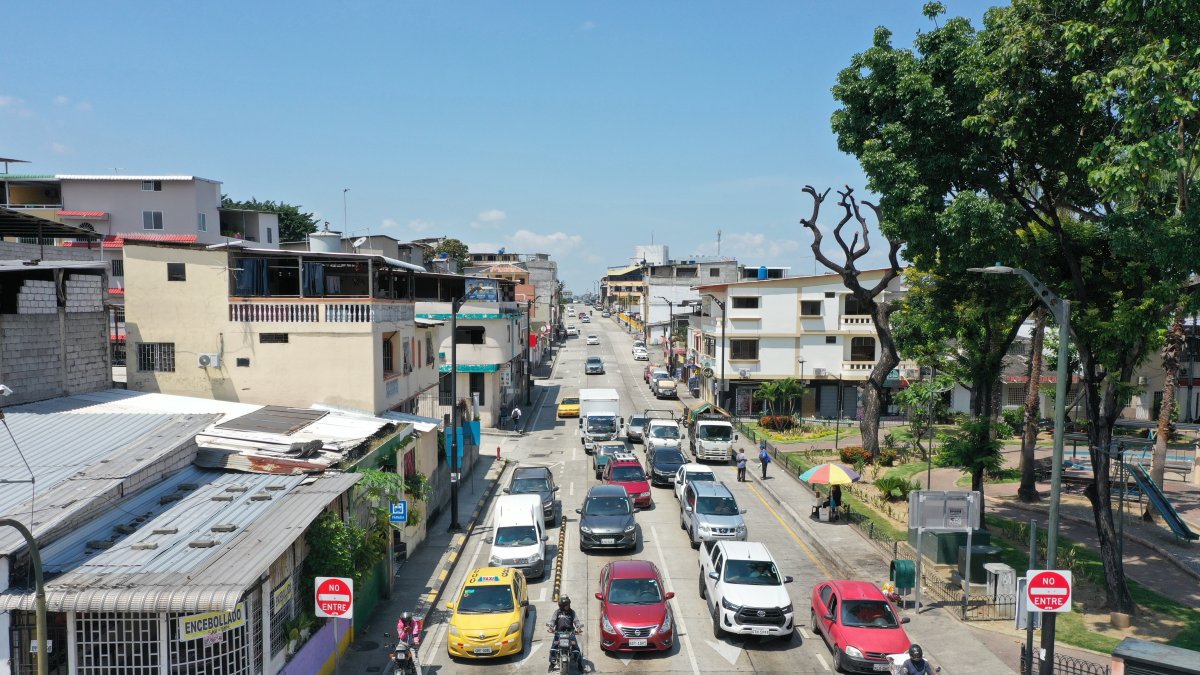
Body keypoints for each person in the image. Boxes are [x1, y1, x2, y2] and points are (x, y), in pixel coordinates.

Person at [546, 596, 583, 671]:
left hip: (570, 633)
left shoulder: (572, 612)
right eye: (567, 605)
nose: (568, 606)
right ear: (562, 606)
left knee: (576, 648)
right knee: (554, 648)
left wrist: (578, 627)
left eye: (568, 604)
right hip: (558, 633)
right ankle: (552, 663)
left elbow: (576, 621)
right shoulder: (557, 612)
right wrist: (551, 627)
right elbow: (553, 621)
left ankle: (579, 664)